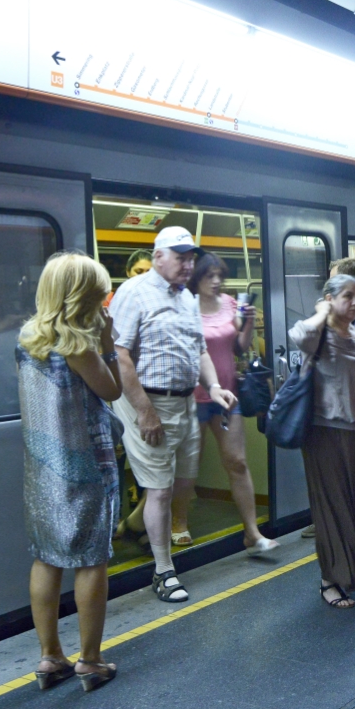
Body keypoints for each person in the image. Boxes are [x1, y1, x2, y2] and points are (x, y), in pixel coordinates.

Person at [109, 226, 239, 604]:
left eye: (191, 257)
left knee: (184, 482)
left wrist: (213, 386)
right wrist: (144, 411)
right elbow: (120, 356)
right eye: (181, 257)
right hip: (148, 401)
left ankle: (137, 524)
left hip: (186, 401)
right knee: (162, 490)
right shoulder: (133, 294)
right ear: (158, 257)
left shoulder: (186, 298)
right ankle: (164, 571)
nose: (188, 265)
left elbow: (199, 350)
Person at [17, 252, 122, 693]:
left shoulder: (27, 337)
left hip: (41, 469)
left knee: (46, 557)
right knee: (90, 559)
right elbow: (111, 390)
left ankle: (49, 657)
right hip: (83, 468)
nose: (104, 299)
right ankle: (91, 660)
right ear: (82, 295)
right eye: (99, 292)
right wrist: (110, 344)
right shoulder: (78, 345)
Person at [290, 274, 355, 610]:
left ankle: (337, 567)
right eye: (347, 297)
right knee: (333, 507)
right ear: (329, 298)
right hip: (324, 433)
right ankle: (329, 579)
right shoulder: (318, 331)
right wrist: (323, 312)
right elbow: (299, 336)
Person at [169, 252, 279, 556]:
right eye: (209, 276)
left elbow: (238, 348)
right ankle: (178, 523)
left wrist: (248, 324)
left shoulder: (231, 304)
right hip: (193, 397)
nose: (216, 282)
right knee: (188, 467)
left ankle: (252, 533)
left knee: (237, 462)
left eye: (220, 276)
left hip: (227, 395)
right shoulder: (185, 306)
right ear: (196, 279)